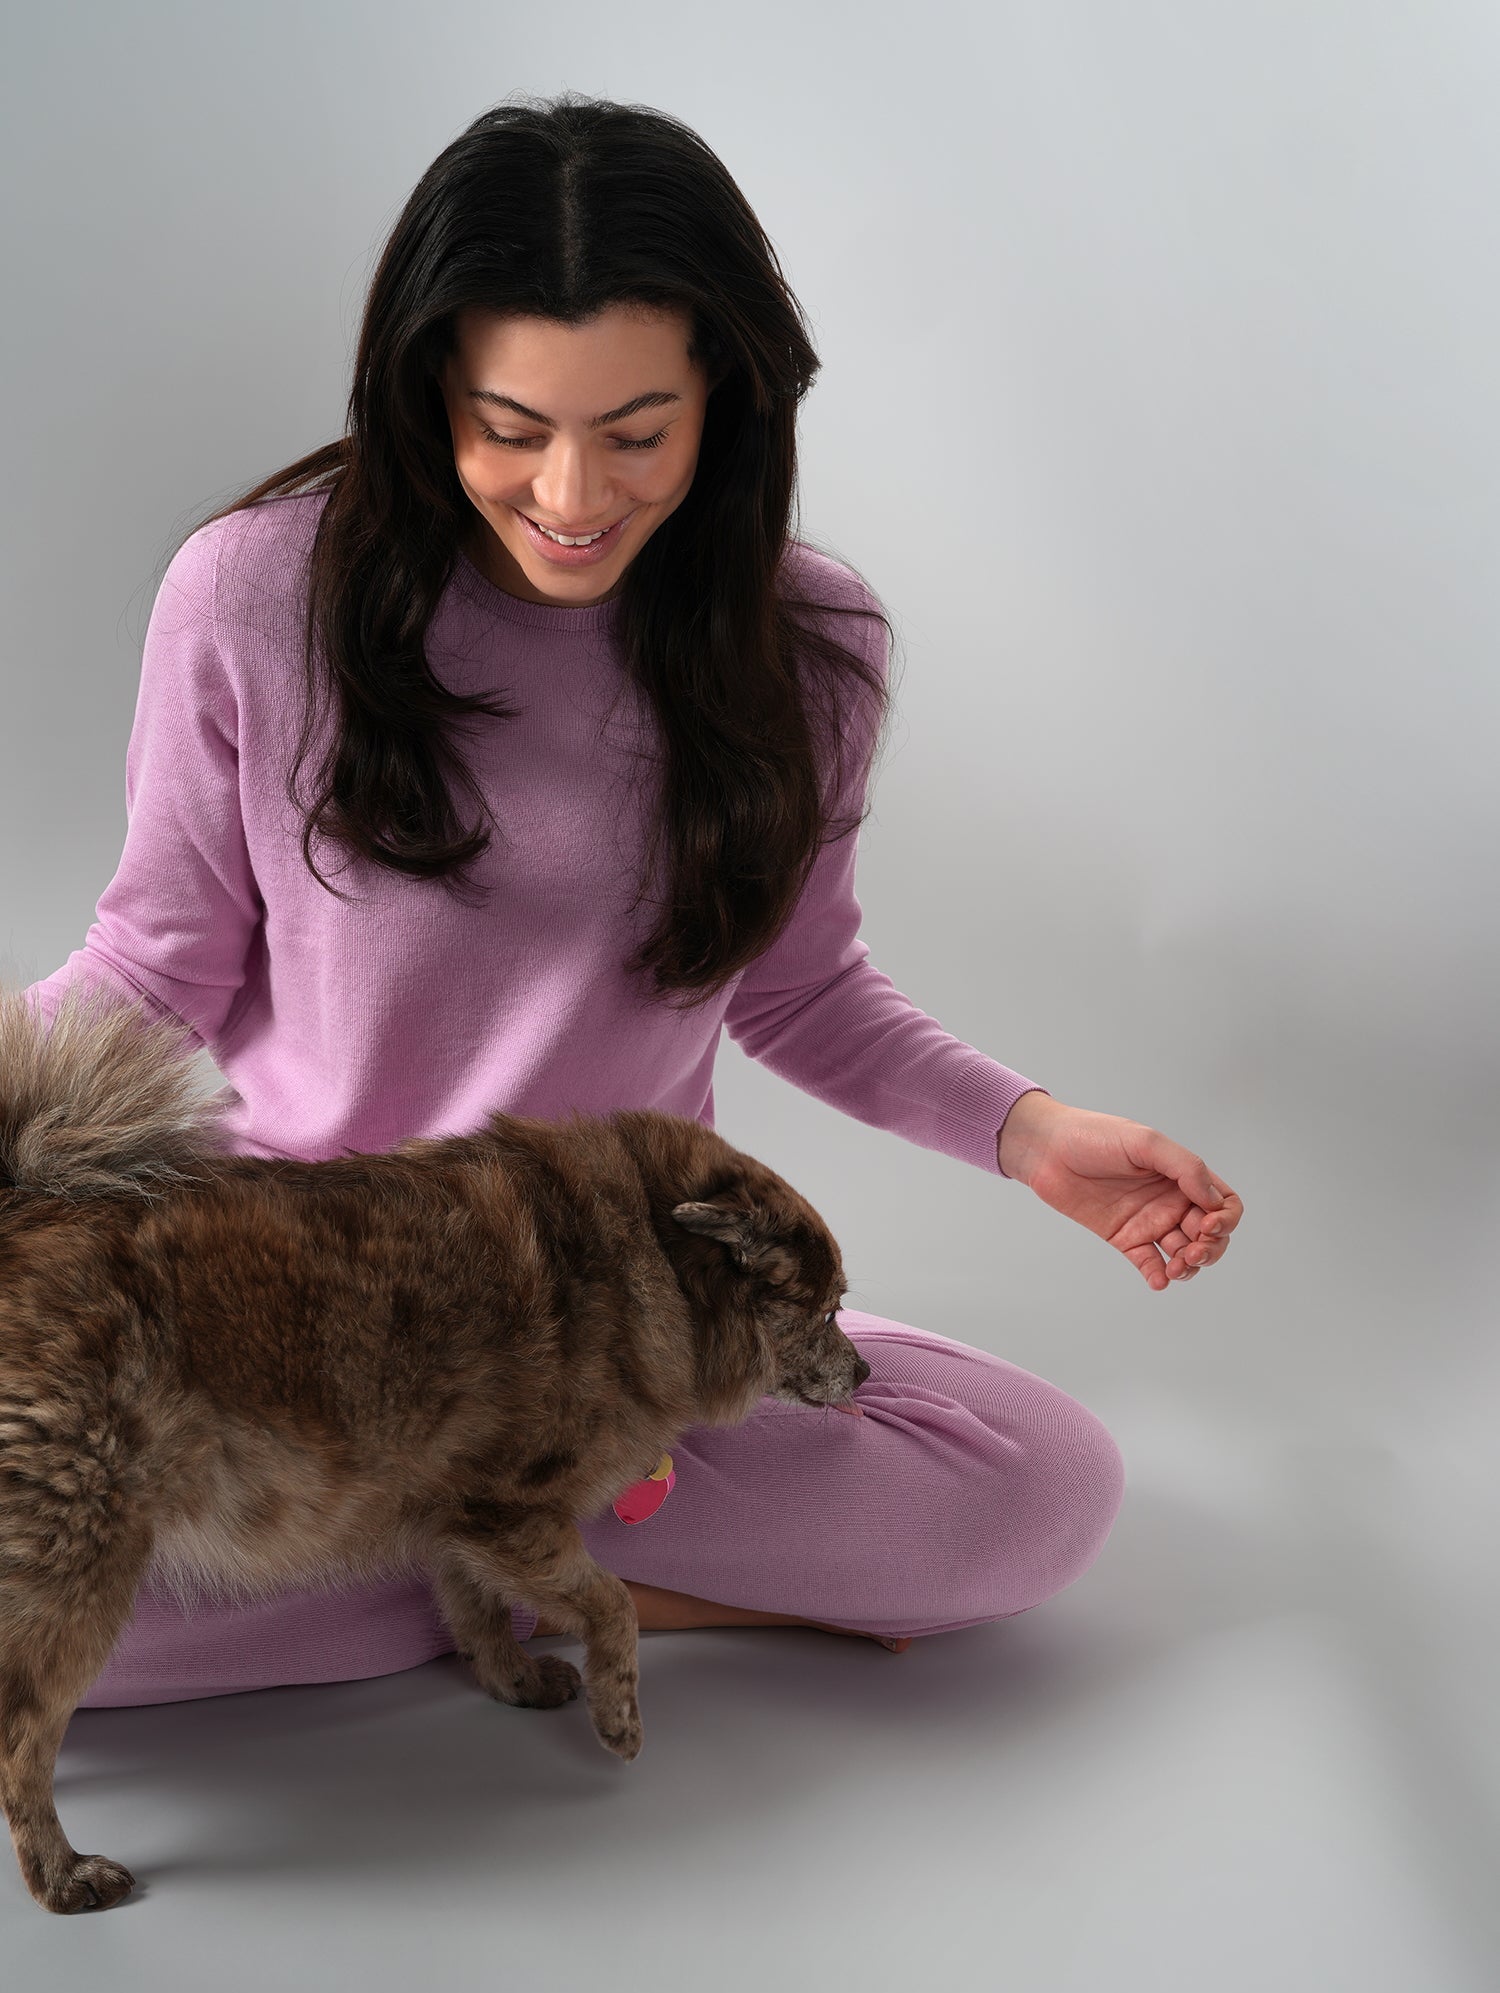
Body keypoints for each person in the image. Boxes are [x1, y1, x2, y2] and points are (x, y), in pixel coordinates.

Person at [24, 93, 1241, 1710]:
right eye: (509, 428)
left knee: (1038, 1490)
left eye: (637, 430)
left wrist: (1028, 1132)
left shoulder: (808, 645)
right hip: (304, 1327)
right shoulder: (253, 593)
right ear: (421, 394)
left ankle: (469, 1549)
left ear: (726, 400)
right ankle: (527, 1558)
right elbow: (155, 955)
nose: (575, 493)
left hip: (618, 1325)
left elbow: (800, 988)